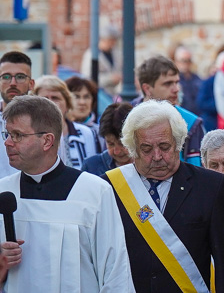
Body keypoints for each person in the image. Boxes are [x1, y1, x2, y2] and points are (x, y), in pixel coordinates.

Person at [0, 95, 133, 292]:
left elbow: (115, 273)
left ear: (47, 141)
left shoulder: (95, 192)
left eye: (18, 135)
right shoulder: (4, 192)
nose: (8, 143)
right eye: (8, 134)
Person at [103, 100, 224, 292]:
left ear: (179, 143)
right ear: (133, 149)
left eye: (164, 147)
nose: (157, 156)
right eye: (147, 149)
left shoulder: (210, 186)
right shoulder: (110, 186)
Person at [137, 55, 205, 166]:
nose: (176, 89)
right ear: (147, 88)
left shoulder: (191, 123)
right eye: (168, 83)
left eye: (176, 82)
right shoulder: (123, 117)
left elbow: (196, 171)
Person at [33, 76, 99, 169]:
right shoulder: (29, 134)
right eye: (44, 98)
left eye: (55, 98)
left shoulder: (86, 133)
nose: (50, 103)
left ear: (68, 104)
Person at [0, 52, 34, 177]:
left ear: (31, 84)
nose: (13, 83)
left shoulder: (45, 120)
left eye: (20, 77)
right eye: (6, 77)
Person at [82, 102, 134, 176]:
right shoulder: (91, 167)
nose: (117, 151)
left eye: (122, 144)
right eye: (110, 144)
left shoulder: (148, 167)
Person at [79, 21, 122, 96]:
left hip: (114, 94)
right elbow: (87, 78)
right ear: (102, 39)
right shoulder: (91, 54)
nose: (113, 43)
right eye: (110, 40)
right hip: (98, 94)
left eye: (114, 40)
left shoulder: (116, 53)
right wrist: (110, 79)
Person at [172, 45, 202, 114]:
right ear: (176, 61)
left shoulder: (197, 79)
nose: (186, 64)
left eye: (188, 61)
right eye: (183, 61)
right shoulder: (173, 81)